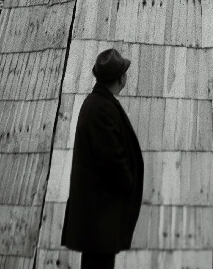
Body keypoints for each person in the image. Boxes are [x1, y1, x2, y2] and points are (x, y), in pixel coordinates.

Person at [61, 48, 144, 269]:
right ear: (120, 78)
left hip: (97, 211)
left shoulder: (97, 103)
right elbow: (111, 159)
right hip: (100, 212)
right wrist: (127, 183)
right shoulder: (102, 108)